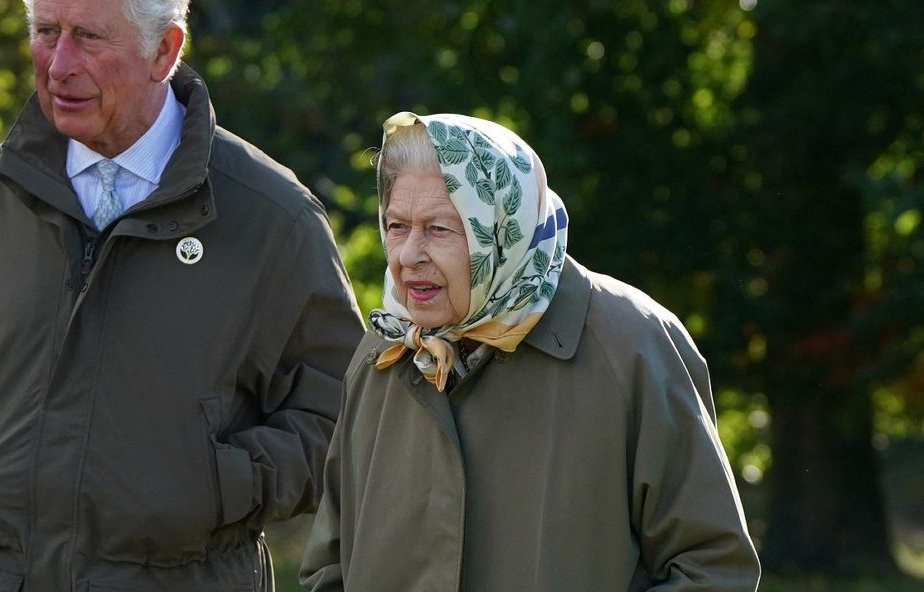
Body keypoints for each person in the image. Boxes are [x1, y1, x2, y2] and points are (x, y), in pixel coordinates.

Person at [0, 0, 364, 592]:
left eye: (88, 37)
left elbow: (342, 413)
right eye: (45, 32)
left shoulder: (272, 218)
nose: (59, 64)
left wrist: (208, 487)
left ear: (164, 50)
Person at [300, 112, 761, 591]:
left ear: (503, 230)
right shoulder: (385, 351)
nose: (407, 255)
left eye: (439, 229)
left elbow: (712, 570)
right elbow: (330, 570)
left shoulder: (633, 345)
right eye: (396, 226)